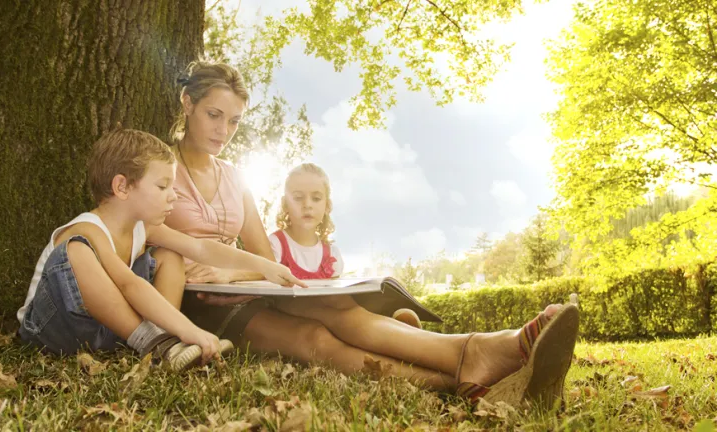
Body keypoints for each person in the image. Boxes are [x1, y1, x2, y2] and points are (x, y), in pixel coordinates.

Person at [169, 60, 580, 407]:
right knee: (314, 337)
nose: (224, 130)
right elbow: (150, 246)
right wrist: (215, 277)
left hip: (245, 288)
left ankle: (475, 356)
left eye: (235, 120)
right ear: (188, 104)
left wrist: (231, 274)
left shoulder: (235, 177)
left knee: (341, 309)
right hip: (198, 307)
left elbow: (268, 263)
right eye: (214, 115)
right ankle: (459, 377)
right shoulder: (161, 168)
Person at [17, 128, 304, 372]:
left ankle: (162, 340)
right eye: (163, 185)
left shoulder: (145, 228)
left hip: (108, 331)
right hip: (52, 329)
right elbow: (129, 286)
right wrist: (189, 329)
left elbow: (200, 248)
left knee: (170, 255)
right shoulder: (87, 229)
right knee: (76, 251)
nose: (173, 194)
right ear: (122, 187)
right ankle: (159, 341)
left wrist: (266, 266)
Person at [269, 162, 423, 328]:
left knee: (347, 310)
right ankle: (394, 328)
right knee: (344, 317)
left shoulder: (332, 254)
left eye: (316, 198)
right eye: (298, 198)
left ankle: (398, 329)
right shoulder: (276, 244)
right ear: (285, 204)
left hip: (329, 319)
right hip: (292, 320)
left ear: (327, 206)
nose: (307, 204)